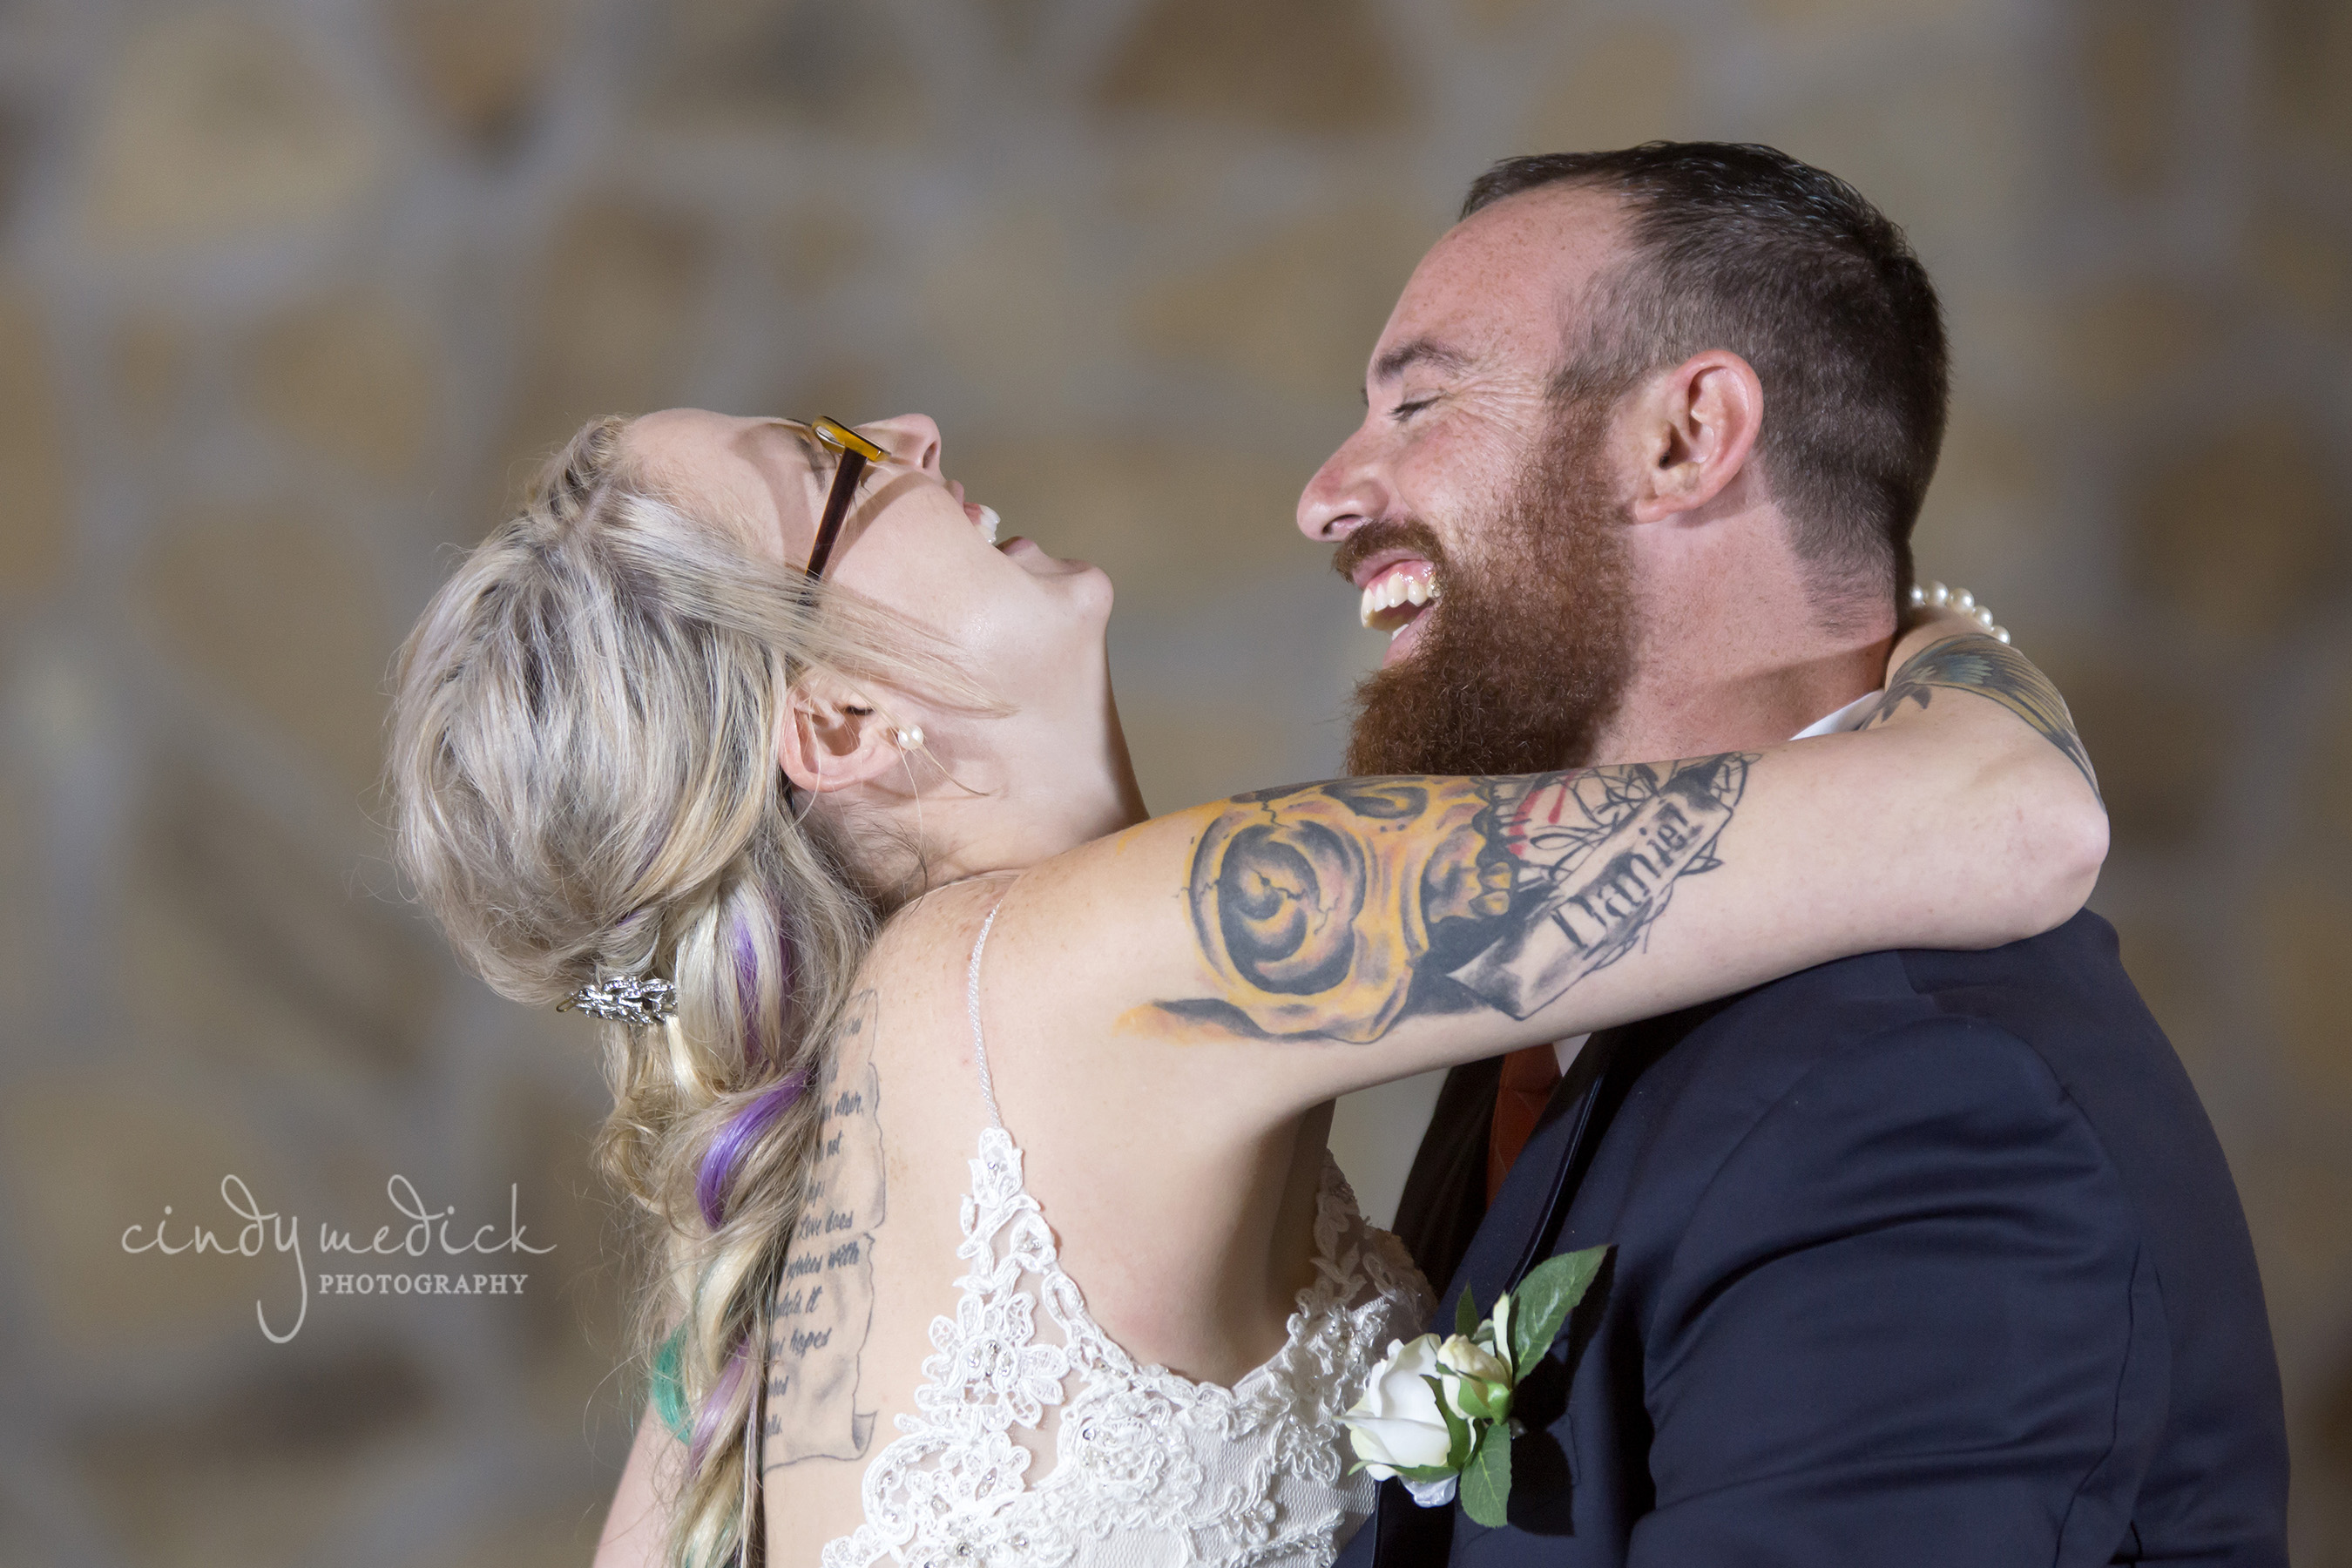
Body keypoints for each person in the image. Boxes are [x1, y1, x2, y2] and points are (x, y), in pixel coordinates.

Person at [385, 397, 2102, 1567]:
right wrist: (1918, 620)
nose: (908, 432)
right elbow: (2009, 821)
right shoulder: (1081, 969)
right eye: (834, 462)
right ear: (835, 721)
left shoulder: (796, 1189)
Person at [1302, 143, 2289, 1566]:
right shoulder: (1583, 986)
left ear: (1687, 436)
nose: (1327, 497)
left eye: (1420, 403)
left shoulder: (1924, 1105)